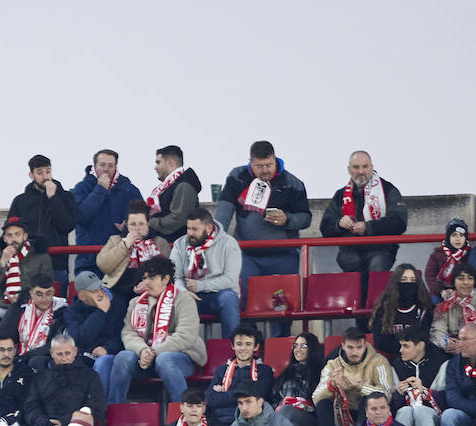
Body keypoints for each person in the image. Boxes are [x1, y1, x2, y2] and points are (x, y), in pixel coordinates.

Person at [213, 140, 312, 308]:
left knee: (283, 307)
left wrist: (287, 220)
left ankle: (280, 327)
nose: (265, 170)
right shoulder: (237, 177)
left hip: (284, 256)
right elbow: (224, 213)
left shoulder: (293, 183)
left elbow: (306, 218)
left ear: (275, 159)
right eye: (259, 166)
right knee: (244, 304)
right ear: (250, 162)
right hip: (246, 255)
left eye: (269, 165)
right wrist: (215, 238)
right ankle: (245, 327)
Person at [109, 257, 205, 403]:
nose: (146, 282)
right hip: (145, 359)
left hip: (180, 358)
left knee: (164, 359)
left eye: (152, 278)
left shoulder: (184, 300)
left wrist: (154, 351)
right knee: (123, 357)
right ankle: (114, 411)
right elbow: (129, 333)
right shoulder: (136, 302)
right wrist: (142, 350)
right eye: (145, 278)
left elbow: (185, 336)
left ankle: (184, 411)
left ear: (166, 279)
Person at [314, 328, 397, 426]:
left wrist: (361, 387)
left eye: (359, 347)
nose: (354, 352)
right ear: (343, 346)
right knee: (322, 405)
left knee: (368, 400)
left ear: (365, 345)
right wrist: (331, 386)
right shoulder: (332, 365)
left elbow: (386, 395)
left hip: (368, 414)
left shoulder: (379, 361)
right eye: (350, 348)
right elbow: (315, 397)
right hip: (342, 415)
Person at [319, 151, 408, 274]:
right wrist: (339, 224)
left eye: (365, 166)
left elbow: (399, 222)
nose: (361, 171)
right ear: (349, 170)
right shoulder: (340, 195)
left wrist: (368, 227)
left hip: (381, 251)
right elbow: (325, 228)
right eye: (356, 167)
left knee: (376, 269)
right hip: (349, 255)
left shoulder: (388, 190)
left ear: (372, 167)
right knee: (352, 271)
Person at [169, 207, 243, 338]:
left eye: (195, 229)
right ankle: (180, 347)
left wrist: (201, 286)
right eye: (188, 228)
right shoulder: (180, 244)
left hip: (220, 293)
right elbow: (175, 277)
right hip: (190, 295)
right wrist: (183, 292)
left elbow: (230, 279)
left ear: (209, 228)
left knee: (229, 299)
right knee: (173, 300)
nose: (190, 233)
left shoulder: (229, 243)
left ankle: (231, 347)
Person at [0, 218, 53, 345]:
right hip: (4, 303)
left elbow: (46, 284)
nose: (13, 239)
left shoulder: (40, 256)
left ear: (25, 236)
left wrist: (22, 298)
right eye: (9, 235)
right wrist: (2, 262)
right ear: (4, 238)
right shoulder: (0, 256)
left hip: (31, 304)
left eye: (17, 234)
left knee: (9, 326)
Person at [24, 334, 106, 426]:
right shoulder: (40, 377)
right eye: (59, 354)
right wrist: (42, 423)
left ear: (75, 351)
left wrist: (64, 423)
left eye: (67, 353)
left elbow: (95, 408)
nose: (64, 358)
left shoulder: (91, 376)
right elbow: (31, 406)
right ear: (52, 353)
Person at [72, 148, 143, 274]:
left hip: (121, 261)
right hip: (89, 261)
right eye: (102, 165)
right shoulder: (81, 188)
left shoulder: (130, 190)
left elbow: (144, 218)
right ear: (94, 166)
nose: (106, 169)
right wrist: (100, 189)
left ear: (116, 167)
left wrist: (129, 224)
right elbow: (81, 216)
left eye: (110, 166)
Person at [7, 154, 78, 278]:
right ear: (31, 175)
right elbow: (10, 230)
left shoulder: (65, 196)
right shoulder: (20, 201)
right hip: (27, 265)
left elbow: (67, 226)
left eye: (48, 171)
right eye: (40, 173)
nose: (45, 177)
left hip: (56, 265)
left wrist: (53, 198)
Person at [392, 328, 448, 426]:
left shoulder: (441, 362)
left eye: (406, 346)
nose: (401, 350)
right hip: (408, 416)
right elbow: (393, 408)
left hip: (434, 417)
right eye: (400, 345)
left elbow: (446, 402)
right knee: (404, 411)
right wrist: (399, 395)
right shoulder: (397, 365)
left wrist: (424, 391)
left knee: (421, 411)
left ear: (420, 345)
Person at [64, 273, 127, 388]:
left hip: (110, 354)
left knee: (103, 362)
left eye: (100, 288)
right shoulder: (72, 312)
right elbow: (80, 338)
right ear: (82, 296)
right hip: (84, 355)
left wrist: (107, 348)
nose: (100, 293)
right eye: (94, 291)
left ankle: (101, 399)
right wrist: (101, 313)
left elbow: (122, 336)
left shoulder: (118, 305)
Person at [95, 201, 164, 302]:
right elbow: (103, 265)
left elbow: (168, 273)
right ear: (127, 226)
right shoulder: (116, 240)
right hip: (117, 291)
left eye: (141, 224)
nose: (137, 228)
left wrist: (150, 283)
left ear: (148, 224)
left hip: (150, 292)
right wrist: (125, 245)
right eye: (133, 224)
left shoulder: (159, 242)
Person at [205, 325, 272, 425]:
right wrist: (243, 393)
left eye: (248, 344)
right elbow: (210, 399)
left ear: (256, 347)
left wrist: (224, 394)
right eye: (239, 344)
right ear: (233, 346)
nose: (243, 348)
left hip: (250, 421)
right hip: (220, 420)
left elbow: (260, 398)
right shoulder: (221, 370)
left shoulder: (264, 370)